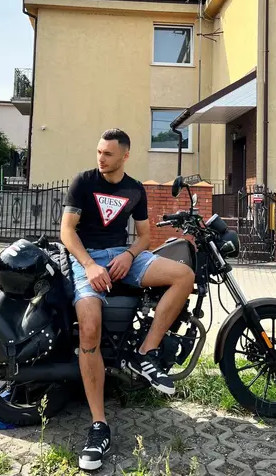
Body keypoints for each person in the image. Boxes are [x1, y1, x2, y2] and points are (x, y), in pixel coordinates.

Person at [61, 128, 195, 471]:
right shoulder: (83, 182)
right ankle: (98, 425)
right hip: (87, 259)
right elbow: (67, 231)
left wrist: (130, 255)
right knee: (89, 327)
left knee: (184, 276)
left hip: (123, 255)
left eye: (108, 153)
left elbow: (145, 236)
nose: (101, 158)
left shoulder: (135, 189)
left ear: (125, 155)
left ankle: (145, 353)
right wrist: (89, 265)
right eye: (99, 151)